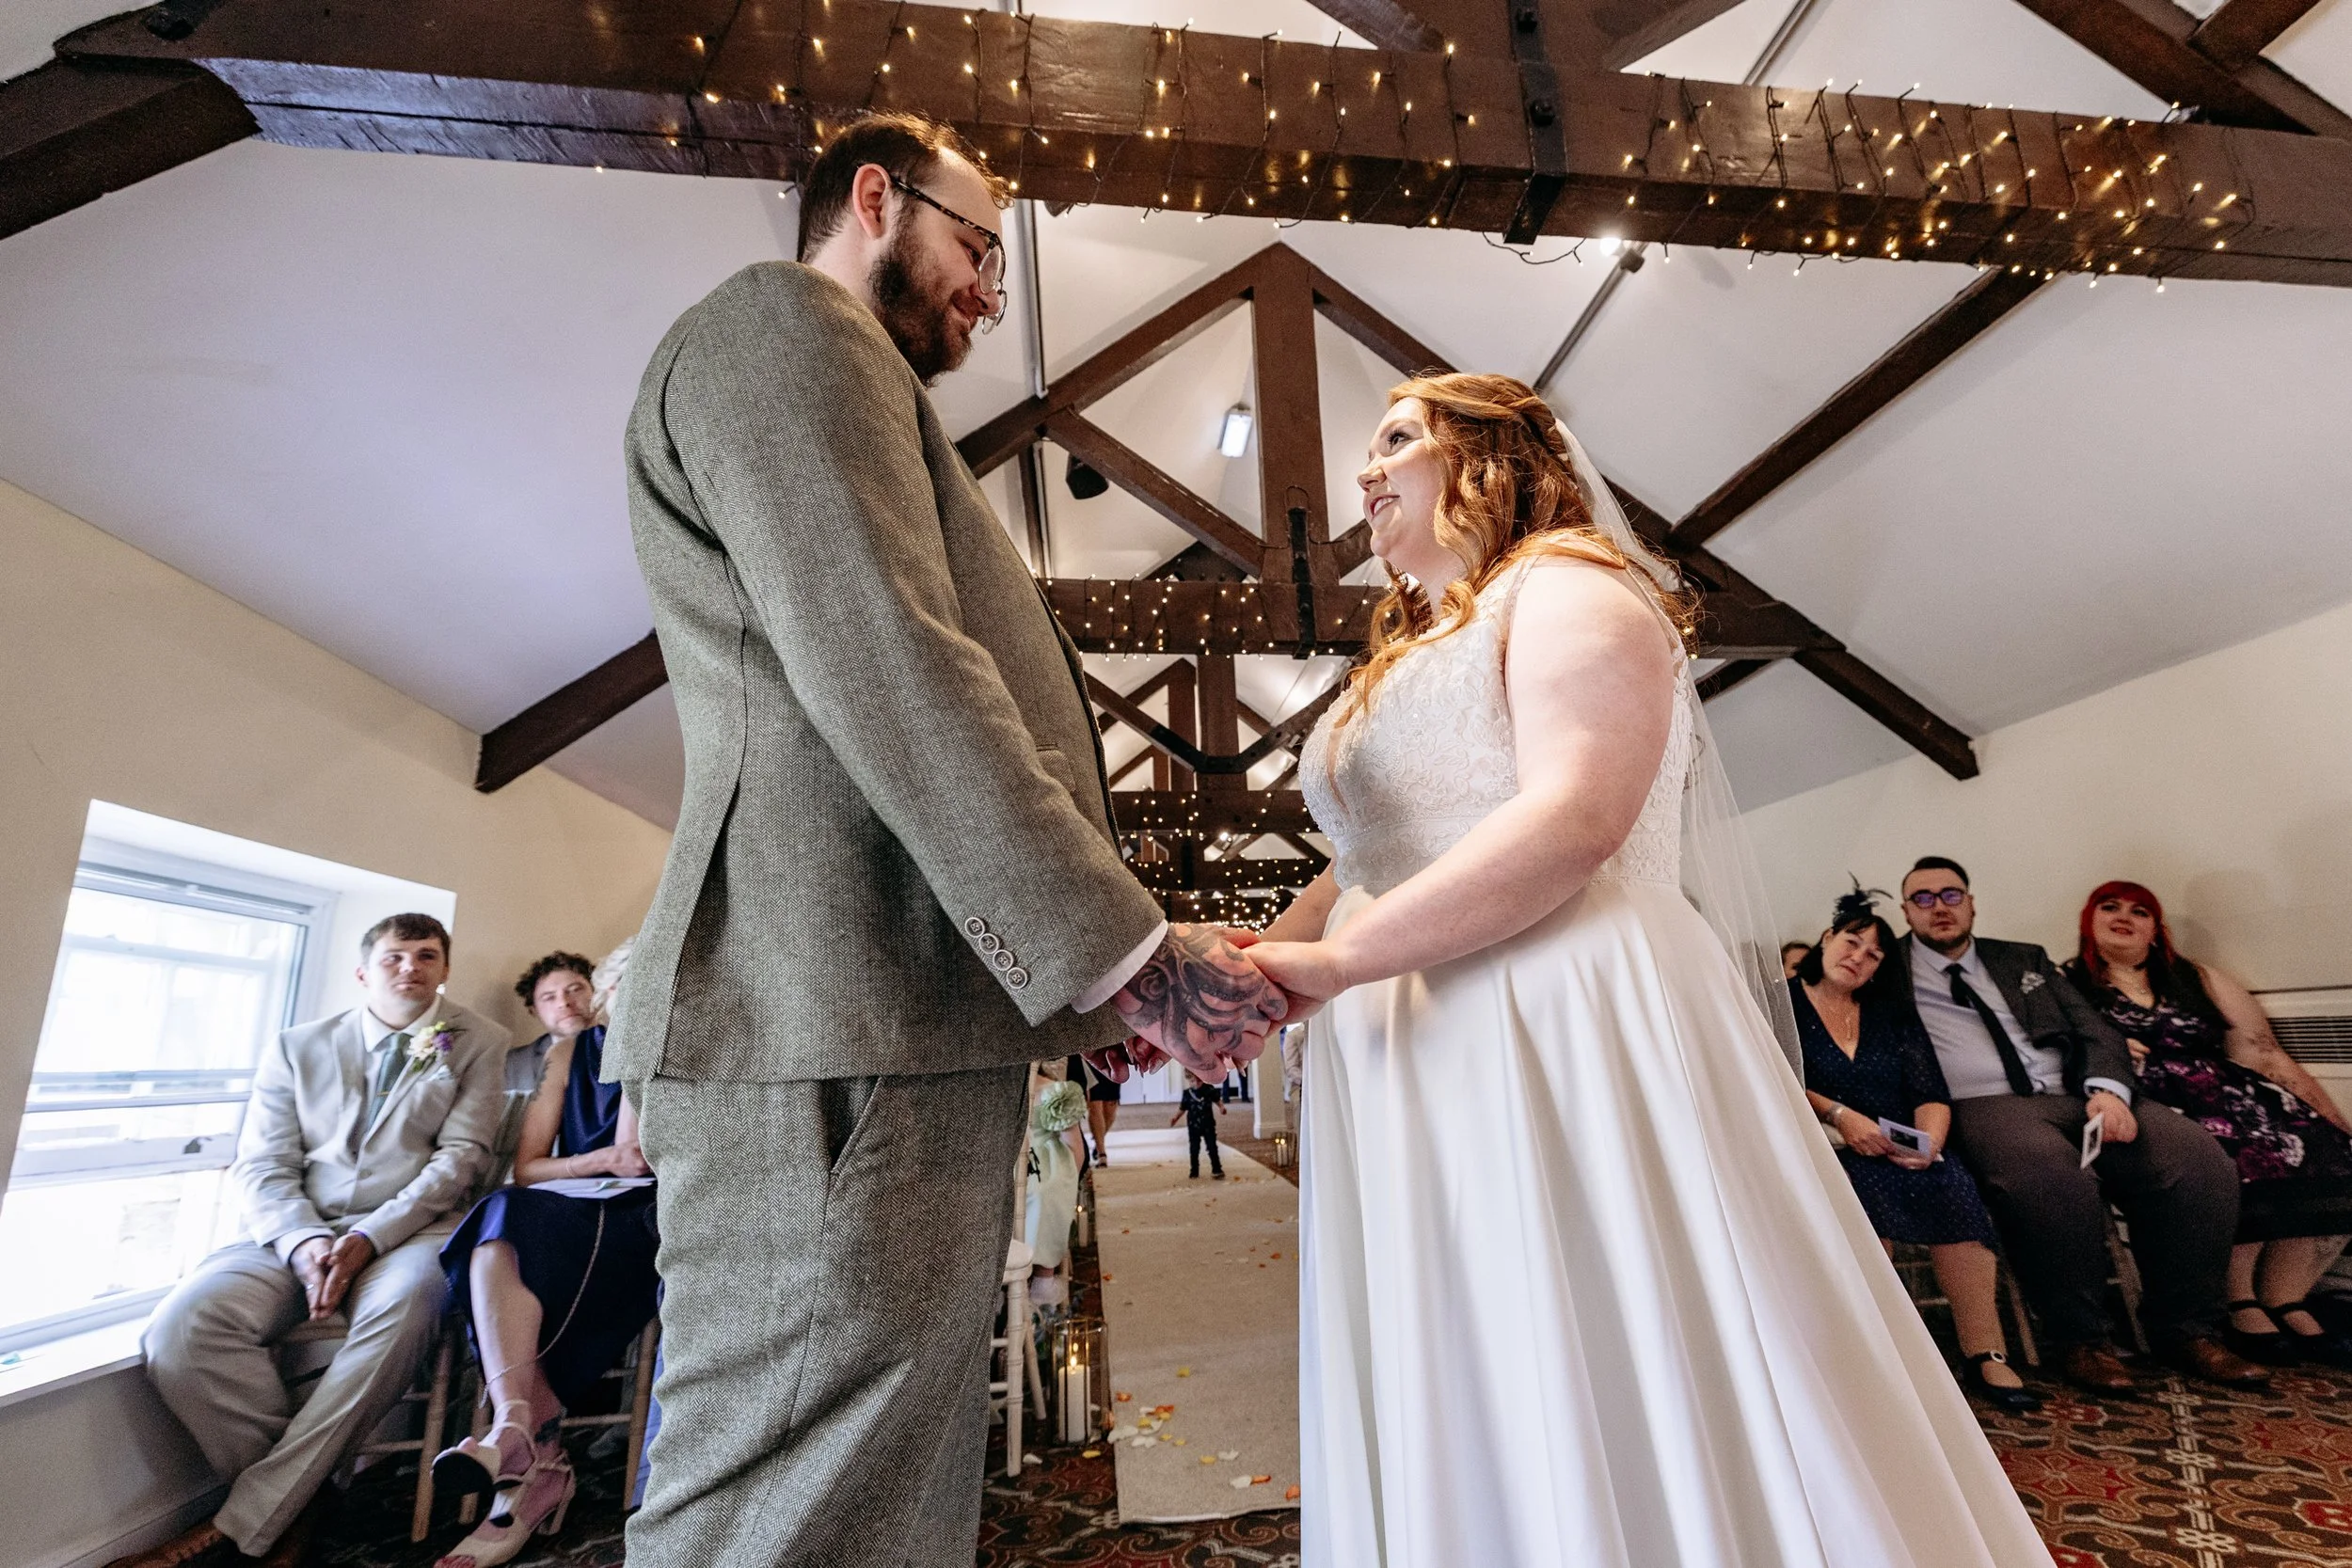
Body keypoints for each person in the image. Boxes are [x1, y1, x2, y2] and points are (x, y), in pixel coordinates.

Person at [612, 111, 1282, 1568]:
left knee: (874, 1472)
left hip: (880, 1011)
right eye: (981, 249)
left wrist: (1081, 989)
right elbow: (894, 654)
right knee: (793, 1484)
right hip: (829, 1004)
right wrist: (1122, 947)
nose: (991, 291)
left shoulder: (841, 377)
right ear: (874, 197)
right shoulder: (786, 328)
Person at [1246, 375, 2050, 1568]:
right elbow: (1359, 860)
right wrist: (1246, 963)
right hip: (1412, 1035)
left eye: (1398, 440)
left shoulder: (1573, 587)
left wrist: (1334, 964)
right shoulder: (1424, 644)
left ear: (1490, 460)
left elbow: (1575, 821)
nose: (1364, 471)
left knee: (1593, 1328)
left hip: (1547, 1005)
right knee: (1463, 1342)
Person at [135, 915, 508, 1568]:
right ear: (364, 972)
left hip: (413, 1231)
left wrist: (371, 1234)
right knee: (184, 1328)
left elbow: (461, 1160)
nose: (410, 968)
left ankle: (243, 1522)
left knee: (404, 1313)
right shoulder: (295, 1045)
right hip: (294, 1228)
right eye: (394, 956)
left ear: (444, 969)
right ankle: (297, 1508)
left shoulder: (479, 1040)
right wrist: (304, 1239)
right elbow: (262, 1163)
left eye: (427, 955)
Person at [1886, 858, 2265, 1396]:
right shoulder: (1888, 974)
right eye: (1922, 899)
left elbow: (2096, 1030)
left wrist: (2108, 1090)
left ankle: (2188, 1331)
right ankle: (2081, 1341)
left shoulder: (2023, 958)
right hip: (1981, 1104)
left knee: (2198, 1161)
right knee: (2051, 1177)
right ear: (1905, 912)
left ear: (1971, 902)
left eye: (1951, 894)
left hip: (2074, 1093)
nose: (1939, 907)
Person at [426, 942, 658, 1567]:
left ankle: (529, 1465)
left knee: (527, 1234)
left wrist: (637, 1068)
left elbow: (638, 1158)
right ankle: (516, 1430)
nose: (640, 1001)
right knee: (498, 1215)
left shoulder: (674, 1049)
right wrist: (597, 1161)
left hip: (643, 1216)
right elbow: (528, 1166)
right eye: (628, 991)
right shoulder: (569, 1052)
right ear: (609, 997)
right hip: (570, 1199)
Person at [2063, 880, 2352, 1365]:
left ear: (2155, 930)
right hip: (2154, 1105)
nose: (2124, 917)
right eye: (2109, 907)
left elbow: (2264, 1051)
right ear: (2089, 922)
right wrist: (2102, 1050)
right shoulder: (2068, 986)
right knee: (2238, 1160)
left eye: (2140, 911)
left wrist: (2331, 1117)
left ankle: (2286, 1296)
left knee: (2333, 1156)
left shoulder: (2194, 977)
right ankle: (2240, 1299)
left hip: (2231, 1093)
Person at [1792, 889, 2038, 1413]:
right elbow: (1774, 1076)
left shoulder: (1890, 1015)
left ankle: (1985, 1352)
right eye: (1851, 942)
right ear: (1827, 938)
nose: (1859, 957)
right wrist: (1839, 1114)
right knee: (1865, 1208)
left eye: (1874, 954)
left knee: (1953, 1190)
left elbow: (1931, 1093)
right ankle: (1875, 1358)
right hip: (1824, 1146)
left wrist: (1928, 1143)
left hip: (1896, 1147)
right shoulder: (1781, 1003)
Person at [1025, 1064, 1087, 1305]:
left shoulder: (1054, 1091)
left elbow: (1074, 1147)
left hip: (1042, 1164)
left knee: (1045, 1193)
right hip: (1010, 1164)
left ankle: (1043, 1274)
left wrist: (1071, 1177)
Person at [507, 952, 598, 1095]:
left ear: (596, 993)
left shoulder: (628, 1052)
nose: (564, 1003)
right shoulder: (513, 1065)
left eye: (574, 990)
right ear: (534, 1010)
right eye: (549, 998)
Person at [1067, 1051, 1124, 1166]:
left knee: (1110, 1106)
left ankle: (1099, 1139)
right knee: (1095, 1104)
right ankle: (1101, 1152)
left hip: (1112, 1054)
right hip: (1089, 1057)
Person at [1171, 1070, 1226, 1180]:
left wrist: (1221, 1107)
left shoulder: (1209, 1089)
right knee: (1194, 1149)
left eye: (1199, 1081)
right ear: (1188, 1080)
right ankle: (1194, 1170)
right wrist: (1176, 1118)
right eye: (1192, 1081)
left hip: (1208, 1124)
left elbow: (1217, 1100)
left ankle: (1217, 1169)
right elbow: (1182, 1108)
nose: (1196, 1084)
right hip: (1193, 1126)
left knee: (1212, 1147)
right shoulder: (1187, 1093)